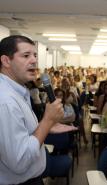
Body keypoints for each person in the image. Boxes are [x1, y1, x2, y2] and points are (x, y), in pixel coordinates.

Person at [0, 35, 64, 185]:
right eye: (26, 55)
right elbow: (20, 162)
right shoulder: (6, 101)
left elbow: (20, 134)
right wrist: (47, 121)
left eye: (35, 55)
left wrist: (46, 127)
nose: (34, 60)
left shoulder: (17, 91)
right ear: (6, 61)